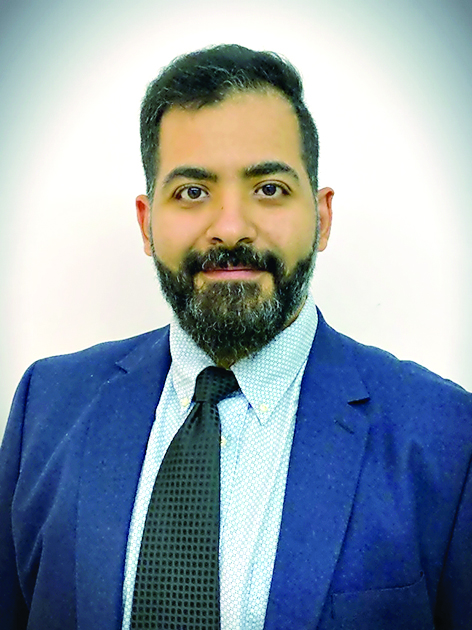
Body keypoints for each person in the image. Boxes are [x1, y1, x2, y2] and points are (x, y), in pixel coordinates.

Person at [0, 44, 471, 630]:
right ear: (146, 224)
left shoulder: (447, 437)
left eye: (268, 188)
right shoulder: (46, 407)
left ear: (322, 217)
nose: (229, 227)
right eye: (192, 192)